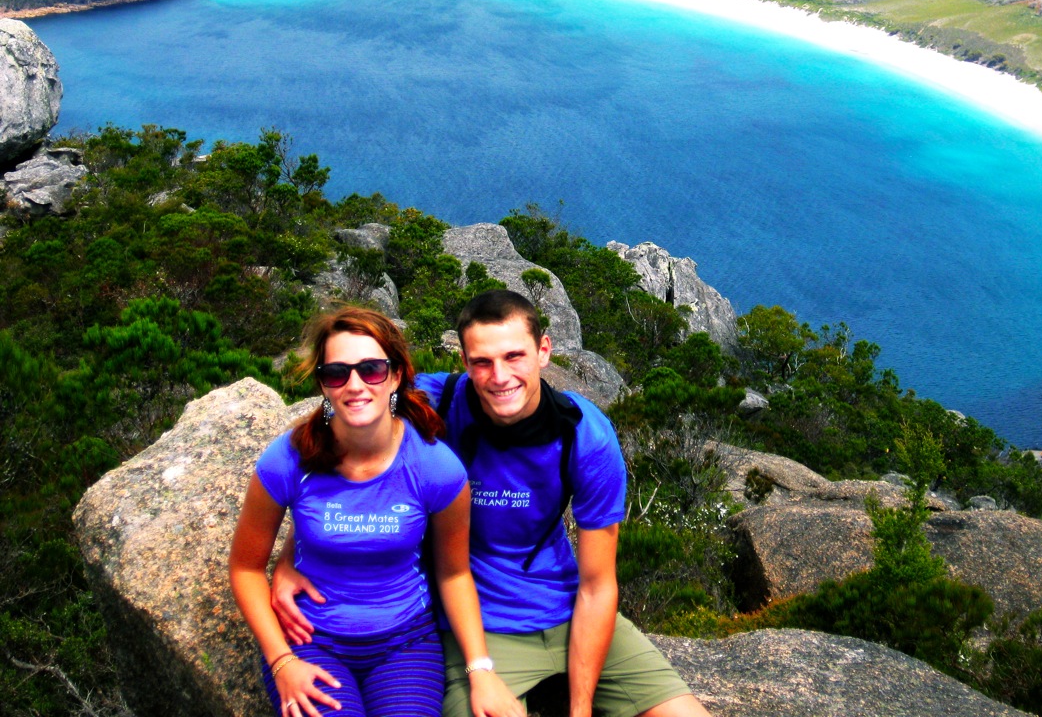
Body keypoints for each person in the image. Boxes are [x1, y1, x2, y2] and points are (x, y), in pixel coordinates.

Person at [272, 290, 712, 717]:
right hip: (479, 625)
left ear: (543, 351)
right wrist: (295, 552)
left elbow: (598, 586)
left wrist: (580, 708)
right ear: (464, 361)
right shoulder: (430, 406)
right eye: (482, 362)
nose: (499, 377)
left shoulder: (584, 435)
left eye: (514, 356)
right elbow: (338, 449)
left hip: (568, 607)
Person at [229, 306, 523, 717]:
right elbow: (244, 568)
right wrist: (282, 661)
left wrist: (481, 670)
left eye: (371, 369)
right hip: (311, 640)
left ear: (397, 376)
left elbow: (454, 573)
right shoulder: (289, 460)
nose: (355, 385)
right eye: (337, 373)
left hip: (405, 643)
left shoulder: (434, 467)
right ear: (323, 384)